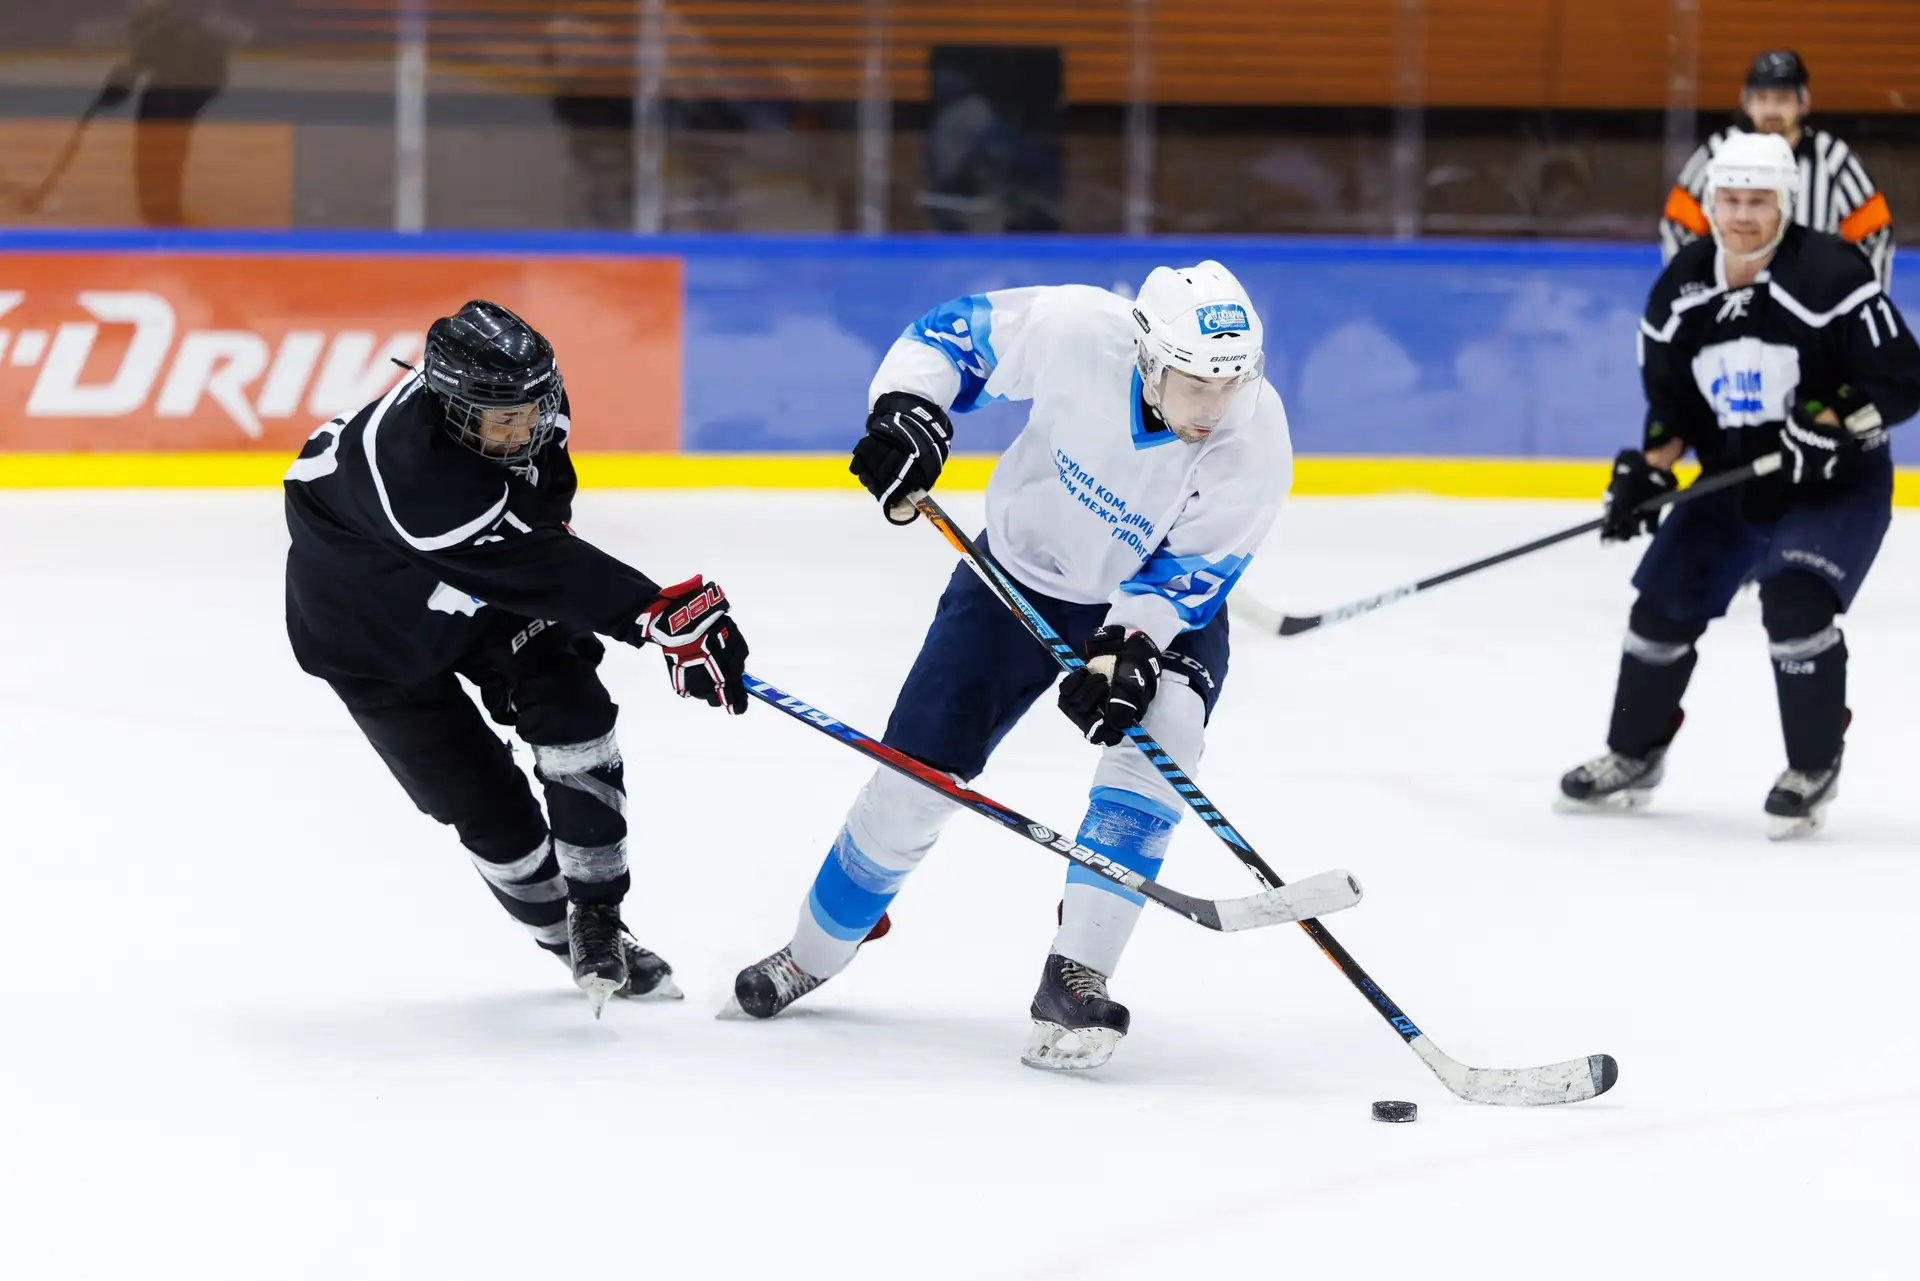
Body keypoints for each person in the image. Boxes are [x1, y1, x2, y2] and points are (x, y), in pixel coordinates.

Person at [727, 262, 1292, 1070]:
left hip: (1147, 597)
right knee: (913, 781)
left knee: (1163, 735)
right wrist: (908, 409)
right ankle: (813, 950)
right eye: (1196, 383)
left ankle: (1077, 974)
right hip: (1019, 574)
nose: (1215, 406)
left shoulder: (1255, 434)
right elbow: (947, 338)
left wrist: (1129, 646)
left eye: (1231, 384)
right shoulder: (1077, 329)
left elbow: (1194, 572)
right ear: (1146, 356)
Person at [284, 301, 750, 1014]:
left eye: (535, 408)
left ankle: (598, 918)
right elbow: (535, 563)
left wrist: (647, 613)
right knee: (486, 809)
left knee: (573, 707)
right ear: (450, 408)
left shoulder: (530, 408)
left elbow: (542, 529)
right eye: (503, 420)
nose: (526, 429)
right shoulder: (415, 481)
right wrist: (652, 612)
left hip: (486, 599)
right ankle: (564, 939)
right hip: (373, 636)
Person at [1561, 132, 1920, 838]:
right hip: (1734, 475)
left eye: (1760, 200)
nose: (1744, 215)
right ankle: (1633, 753)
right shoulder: (1680, 290)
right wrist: (1648, 471)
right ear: (1711, 205)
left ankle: (1812, 765)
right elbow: (1672, 406)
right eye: (1731, 200)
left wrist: (1832, 420)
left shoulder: (1832, 274)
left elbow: (1903, 380)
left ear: (1786, 202)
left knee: (1795, 598)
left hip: (1836, 479)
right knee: (1660, 605)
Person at [1661, 50, 1895, 288]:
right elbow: (1678, 227)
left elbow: (1875, 235)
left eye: (1782, 99)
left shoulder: (1832, 159)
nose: (1771, 110)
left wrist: (1855, 301)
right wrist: (1697, 295)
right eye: (1762, 98)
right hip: (1731, 301)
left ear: (1804, 102)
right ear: (1746, 102)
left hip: (1810, 304)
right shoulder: (1717, 154)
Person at [91, 0, 250, 227]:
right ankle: (160, 206)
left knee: (162, 147)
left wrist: (118, 85)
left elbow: (139, 61)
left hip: (177, 92)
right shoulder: (174, 26)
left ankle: (160, 206)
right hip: (179, 91)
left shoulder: (172, 27)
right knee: (166, 147)